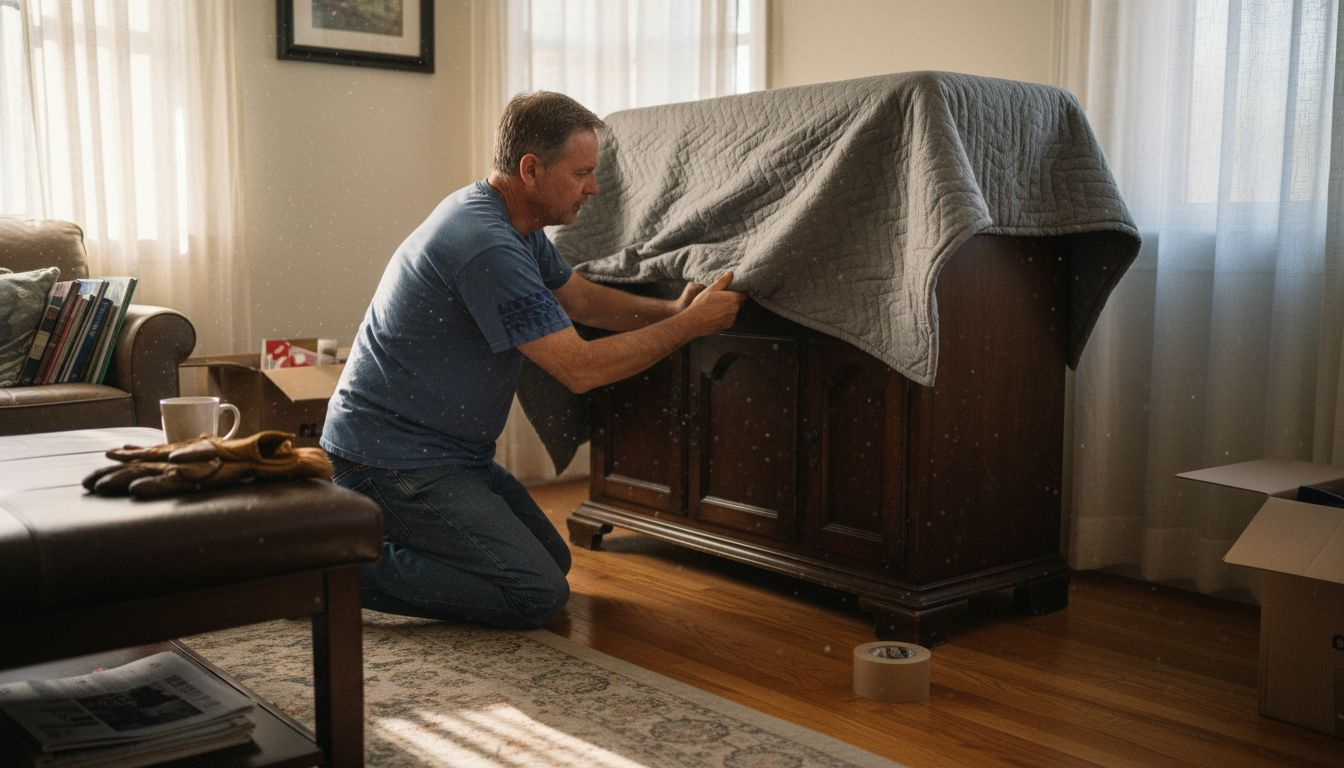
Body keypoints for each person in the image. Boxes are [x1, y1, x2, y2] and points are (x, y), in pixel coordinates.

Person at [320, 91, 746, 629]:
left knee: (551, 561)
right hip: (391, 461)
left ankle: (377, 535)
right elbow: (580, 369)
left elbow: (581, 300)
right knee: (534, 592)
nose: (594, 187)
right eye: (582, 173)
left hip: (449, 457)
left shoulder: (511, 222)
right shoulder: (485, 244)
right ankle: (321, 571)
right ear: (530, 170)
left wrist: (671, 310)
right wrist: (690, 327)